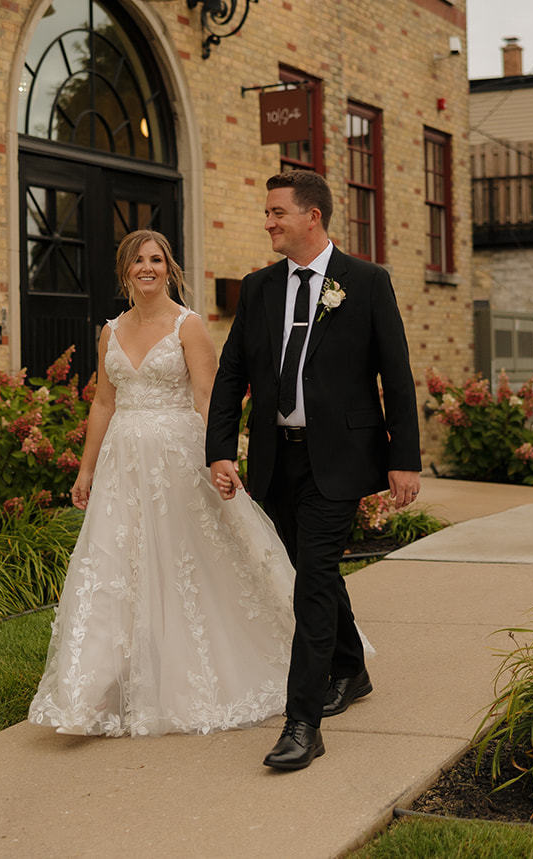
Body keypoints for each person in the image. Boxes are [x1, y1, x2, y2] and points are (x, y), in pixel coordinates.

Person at [28, 230, 299, 736]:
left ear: (169, 269)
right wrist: (86, 469)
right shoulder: (110, 330)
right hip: (121, 465)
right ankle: (92, 693)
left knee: (188, 564)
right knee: (114, 567)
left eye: (156, 259)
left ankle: (208, 670)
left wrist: (222, 458)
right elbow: (104, 403)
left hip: (178, 461)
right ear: (125, 270)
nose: (146, 268)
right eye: (137, 260)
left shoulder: (188, 326)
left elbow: (208, 397)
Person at [205, 169, 421, 771]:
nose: (268, 222)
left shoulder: (368, 282)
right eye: (267, 213)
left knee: (312, 581)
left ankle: (302, 722)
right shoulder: (260, 288)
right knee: (313, 571)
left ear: (313, 217)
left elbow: (396, 376)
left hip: (342, 458)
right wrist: (220, 448)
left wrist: (404, 459)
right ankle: (351, 669)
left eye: (277, 212)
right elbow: (231, 374)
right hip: (278, 457)